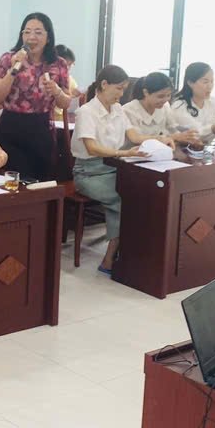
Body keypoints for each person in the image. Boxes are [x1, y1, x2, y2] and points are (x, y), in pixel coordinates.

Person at [72, 65, 162, 273]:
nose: (122, 95)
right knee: (123, 198)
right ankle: (111, 258)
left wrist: (163, 139)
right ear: (104, 84)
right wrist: (124, 153)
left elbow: (135, 137)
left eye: (124, 90)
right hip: (89, 173)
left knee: (141, 192)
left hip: (114, 168)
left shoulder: (118, 109)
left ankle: (132, 255)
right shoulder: (86, 112)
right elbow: (92, 148)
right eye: (119, 89)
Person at [0, 13, 71, 179]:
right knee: (14, 182)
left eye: (38, 32)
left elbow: (65, 103)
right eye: (27, 32)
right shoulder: (8, 58)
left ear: (48, 37)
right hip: (11, 127)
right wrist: (14, 68)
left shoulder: (58, 64)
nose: (31, 37)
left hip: (41, 128)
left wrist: (56, 91)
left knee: (39, 182)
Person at [123, 72, 198, 146]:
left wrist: (186, 137)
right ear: (146, 92)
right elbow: (137, 139)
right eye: (160, 96)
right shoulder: (128, 110)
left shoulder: (165, 105)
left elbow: (172, 128)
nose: (165, 100)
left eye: (168, 95)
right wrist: (171, 137)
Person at [51, 44, 83, 122]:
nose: (67, 68)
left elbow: (72, 100)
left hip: (63, 119)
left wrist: (76, 96)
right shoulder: (47, 78)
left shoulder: (71, 80)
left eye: (70, 65)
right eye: (65, 65)